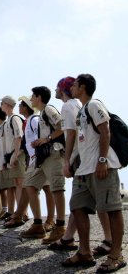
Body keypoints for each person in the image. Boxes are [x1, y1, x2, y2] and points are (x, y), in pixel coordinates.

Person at [62, 74, 126, 273]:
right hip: (84, 169)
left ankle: (116, 255)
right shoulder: (82, 110)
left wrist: (102, 160)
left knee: (112, 209)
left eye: (74, 85)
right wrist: (72, 162)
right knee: (77, 206)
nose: (71, 87)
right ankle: (84, 252)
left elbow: (105, 130)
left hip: (101, 167)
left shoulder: (94, 104)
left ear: (82, 86)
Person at [48, 77, 112, 252]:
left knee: (85, 202)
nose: (55, 90)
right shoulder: (79, 106)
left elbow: (70, 135)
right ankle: (70, 237)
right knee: (81, 202)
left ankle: (107, 240)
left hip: (81, 158)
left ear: (62, 89)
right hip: (85, 157)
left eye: (57, 87)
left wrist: (67, 161)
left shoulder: (68, 106)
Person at [20, 86, 66, 240]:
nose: (31, 99)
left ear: (39, 97)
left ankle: (60, 226)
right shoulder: (40, 115)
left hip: (53, 153)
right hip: (43, 157)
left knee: (57, 189)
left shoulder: (49, 110)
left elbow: (62, 126)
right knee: (30, 185)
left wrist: (46, 139)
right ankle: (38, 224)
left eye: (32, 96)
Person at [4, 96, 55, 230]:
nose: (19, 107)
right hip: (33, 159)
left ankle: (50, 220)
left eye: (21, 105)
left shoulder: (34, 120)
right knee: (29, 186)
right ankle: (19, 215)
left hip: (41, 158)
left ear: (25, 107)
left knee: (47, 188)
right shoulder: (28, 121)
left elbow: (39, 137)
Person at [0, 95, 26, 222]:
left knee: (20, 183)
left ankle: (22, 213)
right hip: (12, 155)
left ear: (8, 105)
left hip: (17, 155)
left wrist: (15, 155)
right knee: (17, 183)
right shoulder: (9, 120)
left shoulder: (15, 118)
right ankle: (20, 212)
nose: (1, 106)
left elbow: (19, 137)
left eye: (2, 103)